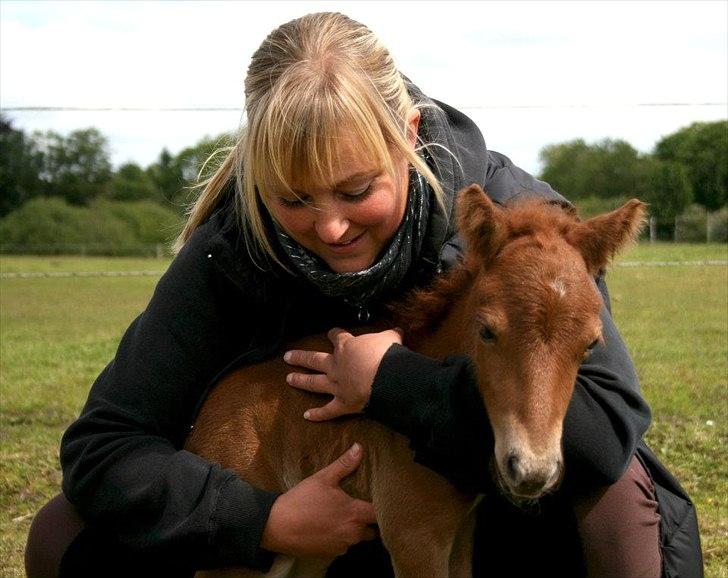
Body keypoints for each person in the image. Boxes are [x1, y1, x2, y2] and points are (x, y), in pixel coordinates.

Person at [25, 11, 702, 578]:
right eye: (293, 198)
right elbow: (104, 449)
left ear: (407, 135)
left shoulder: (518, 228)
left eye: (356, 191)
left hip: (488, 528)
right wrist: (259, 518)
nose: (331, 226)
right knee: (64, 536)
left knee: (615, 500)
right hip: (312, 528)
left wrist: (394, 383)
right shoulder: (227, 252)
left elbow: (606, 433)